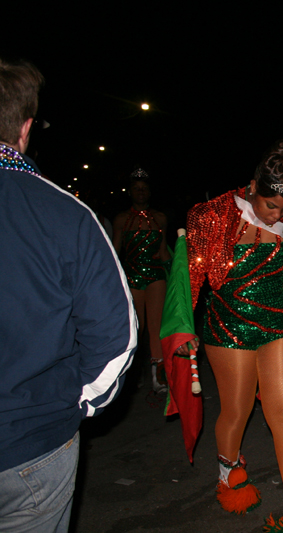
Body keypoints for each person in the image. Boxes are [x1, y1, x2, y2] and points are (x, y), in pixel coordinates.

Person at [180, 141, 283, 531]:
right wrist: (183, 325)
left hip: (281, 319)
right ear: (254, 186)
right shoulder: (210, 214)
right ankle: (230, 474)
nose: (277, 216)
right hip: (229, 323)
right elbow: (192, 274)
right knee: (236, 411)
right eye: (271, 206)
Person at [0, 57, 137, 533]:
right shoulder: (65, 213)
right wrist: (69, 404)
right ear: (26, 129)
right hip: (31, 445)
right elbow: (115, 335)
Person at [113, 169, 171, 392]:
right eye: (136, 188)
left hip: (156, 276)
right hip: (132, 275)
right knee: (135, 327)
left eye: (144, 189)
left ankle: (158, 375)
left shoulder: (160, 218)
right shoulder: (121, 219)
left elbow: (163, 251)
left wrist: (177, 275)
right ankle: (133, 373)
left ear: (150, 192)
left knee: (157, 326)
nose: (140, 192)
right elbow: (116, 252)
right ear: (130, 192)